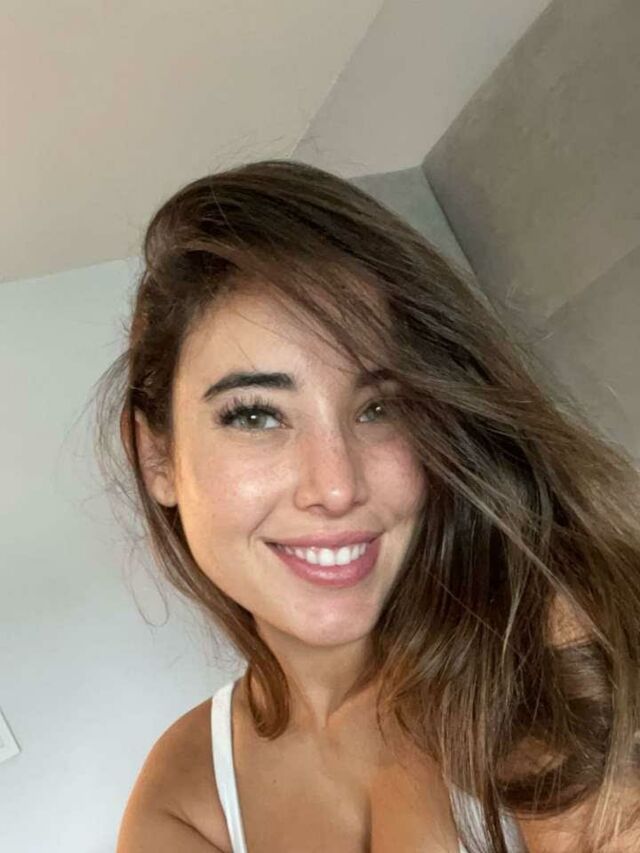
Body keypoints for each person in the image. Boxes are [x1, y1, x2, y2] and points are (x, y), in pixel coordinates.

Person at [95, 159, 640, 852]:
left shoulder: (545, 638)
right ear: (157, 458)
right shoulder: (186, 794)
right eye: (256, 414)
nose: (337, 484)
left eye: (378, 407)